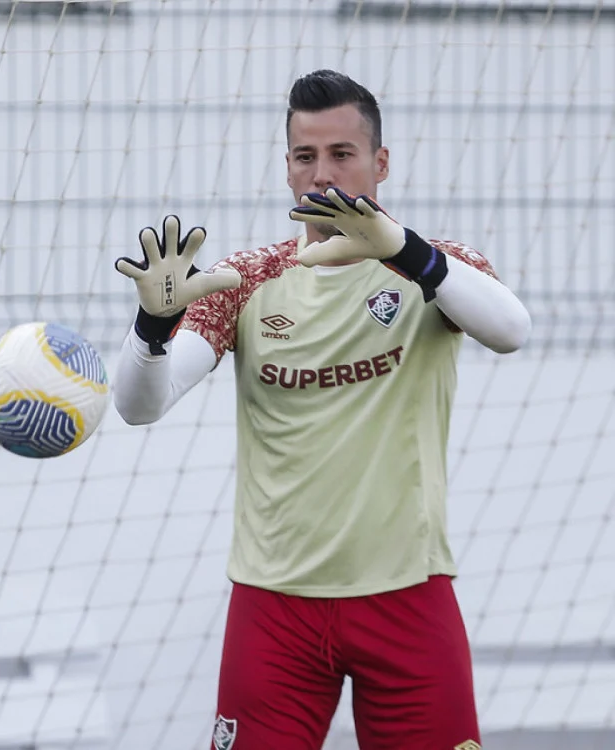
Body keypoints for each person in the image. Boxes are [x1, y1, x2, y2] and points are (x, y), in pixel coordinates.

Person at [112, 69, 531, 750]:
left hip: (407, 596)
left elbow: (513, 330)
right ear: (287, 169)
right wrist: (151, 329)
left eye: (343, 154)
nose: (323, 173)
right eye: (306, 157)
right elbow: (140, 406)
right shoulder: (247, 280)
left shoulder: (436, 268)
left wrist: (407, 253)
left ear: (380, 162)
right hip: (275, 606)